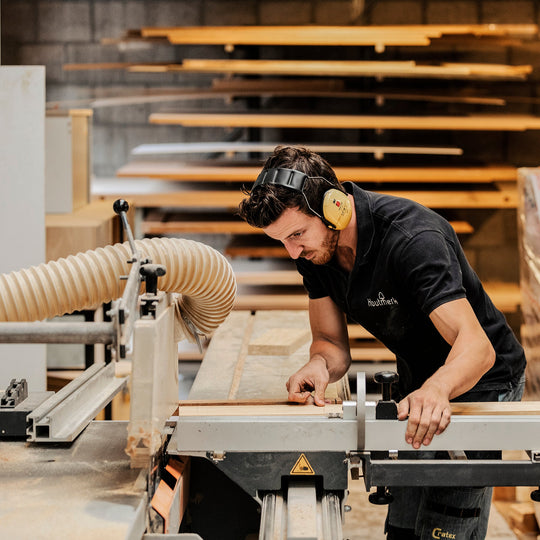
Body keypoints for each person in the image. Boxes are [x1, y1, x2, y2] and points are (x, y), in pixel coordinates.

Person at [237, 146, 526, 540]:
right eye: (282, 241)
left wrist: (438, 389)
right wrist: (318, 366)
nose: (293, 252)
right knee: (404, 526)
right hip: (419, 383)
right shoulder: (315, 253)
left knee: (445, 524)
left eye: (297, 235)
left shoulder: (413, 239)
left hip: (480, 381)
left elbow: (477, 346)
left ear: (334, 207)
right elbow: (329, 343)